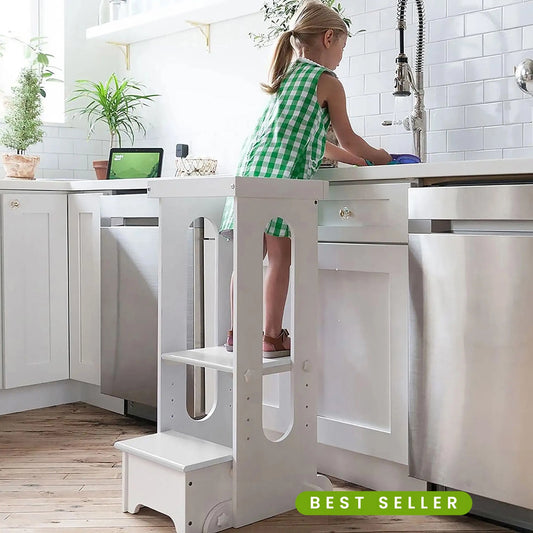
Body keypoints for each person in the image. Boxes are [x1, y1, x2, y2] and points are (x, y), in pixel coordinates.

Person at [220, 0, 391, 357]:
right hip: (282, 179)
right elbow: (348, 139)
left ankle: (238, 333)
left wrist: (357, 161)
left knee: (247, 259)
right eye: (342, 47)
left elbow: (322, 144)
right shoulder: (327, 82)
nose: (341, 57)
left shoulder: (285, 76)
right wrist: (383, 157)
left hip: (251, 172)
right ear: (329, 38)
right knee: (280, 259)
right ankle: (271, 337)